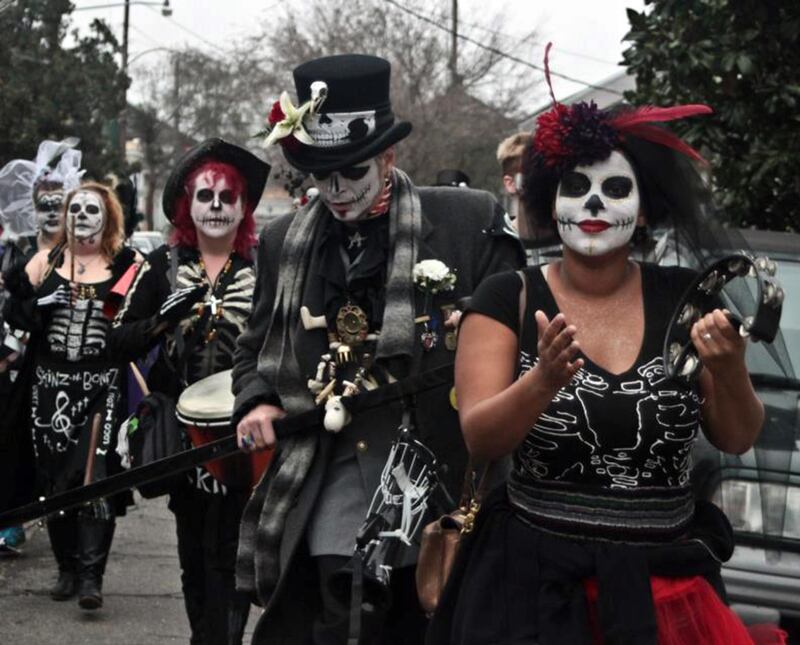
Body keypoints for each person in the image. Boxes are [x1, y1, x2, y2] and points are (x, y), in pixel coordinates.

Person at [427, 53, 786, 644]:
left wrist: (730, 368)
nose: (594, 206)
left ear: (643, 209)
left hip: (664, 591)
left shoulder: (684, 296)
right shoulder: (507, 297)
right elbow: (479, 439)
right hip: (533, 593)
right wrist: (541, 381)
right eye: (577, 188)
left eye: (615, 189)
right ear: (552, 201)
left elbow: (738, 436)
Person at [232, 53, 523, 645]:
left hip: (440, 470)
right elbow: (253, 347)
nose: (336, 191)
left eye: (352, 171)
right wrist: (257, 401)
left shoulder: (469, 222)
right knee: (342, 614)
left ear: (388, 158)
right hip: (334, 463)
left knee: (435, 622)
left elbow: (518, 336)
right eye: (321, 175)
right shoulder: (284, 241)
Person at [109, 138, 270, 645]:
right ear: (187, 205)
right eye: (206, 197)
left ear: (244, 207)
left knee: (231, 548)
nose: (217, 207)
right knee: (194, 550)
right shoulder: (161, 264)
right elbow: (118, 342)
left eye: (228, 197)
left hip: (245, 432)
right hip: (182, 439)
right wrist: (162, 321)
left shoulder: (266, 268)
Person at [6, 181, 139, 609]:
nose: (82, 216)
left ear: (108, 217)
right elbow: (15, 313)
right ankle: (66, 568)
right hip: (49, 387)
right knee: (54, 480)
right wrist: (42, 304)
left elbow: (140, 324)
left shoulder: (125, 265)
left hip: (102, 389)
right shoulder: (46, 262)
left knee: (97, 479)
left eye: (92, 209)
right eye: (75, 209)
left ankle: (90, 576)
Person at [0, 139, 84, 554]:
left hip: (69, 364)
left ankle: (70, 538)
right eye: (43, 203)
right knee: (14, 441)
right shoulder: (19, 255)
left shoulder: (81, 254)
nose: (51, 211)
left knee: (62, 449)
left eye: (58, 202)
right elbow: (13, 311)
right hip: (22, 366)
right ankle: (13, 519)